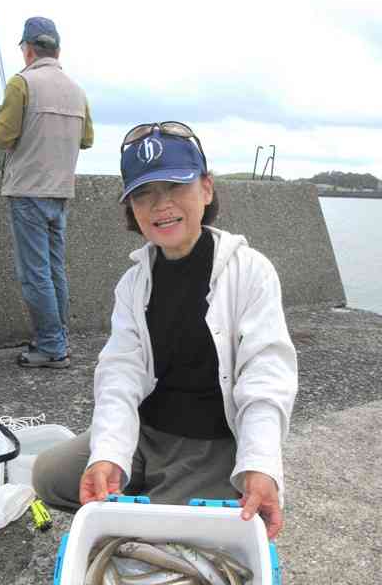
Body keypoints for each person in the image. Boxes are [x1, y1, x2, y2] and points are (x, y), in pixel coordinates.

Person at [33, 122, 297, 537]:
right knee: (49, 476)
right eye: (143, 193)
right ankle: (139, 488)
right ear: (131, 209)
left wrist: (261, 465)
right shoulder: (134, 283)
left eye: (175, 186)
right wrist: (109, 455)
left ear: (206, 189)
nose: (160, 205)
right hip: (146, 431)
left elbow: (268, 376)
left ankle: (168, 499)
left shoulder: (251, 272)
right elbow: (120, 373)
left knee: (167, 539)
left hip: (207, 443)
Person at [0, 16, 94, 368]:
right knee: (54, 269)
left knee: (34, 272)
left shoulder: (22, 83)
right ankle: (58, 336)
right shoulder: (76, 90)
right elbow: (88, 139)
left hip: (28, 190)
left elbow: (3, 137)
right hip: (60, 192)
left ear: (28, 49)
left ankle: (51, 346)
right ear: (58, 49)